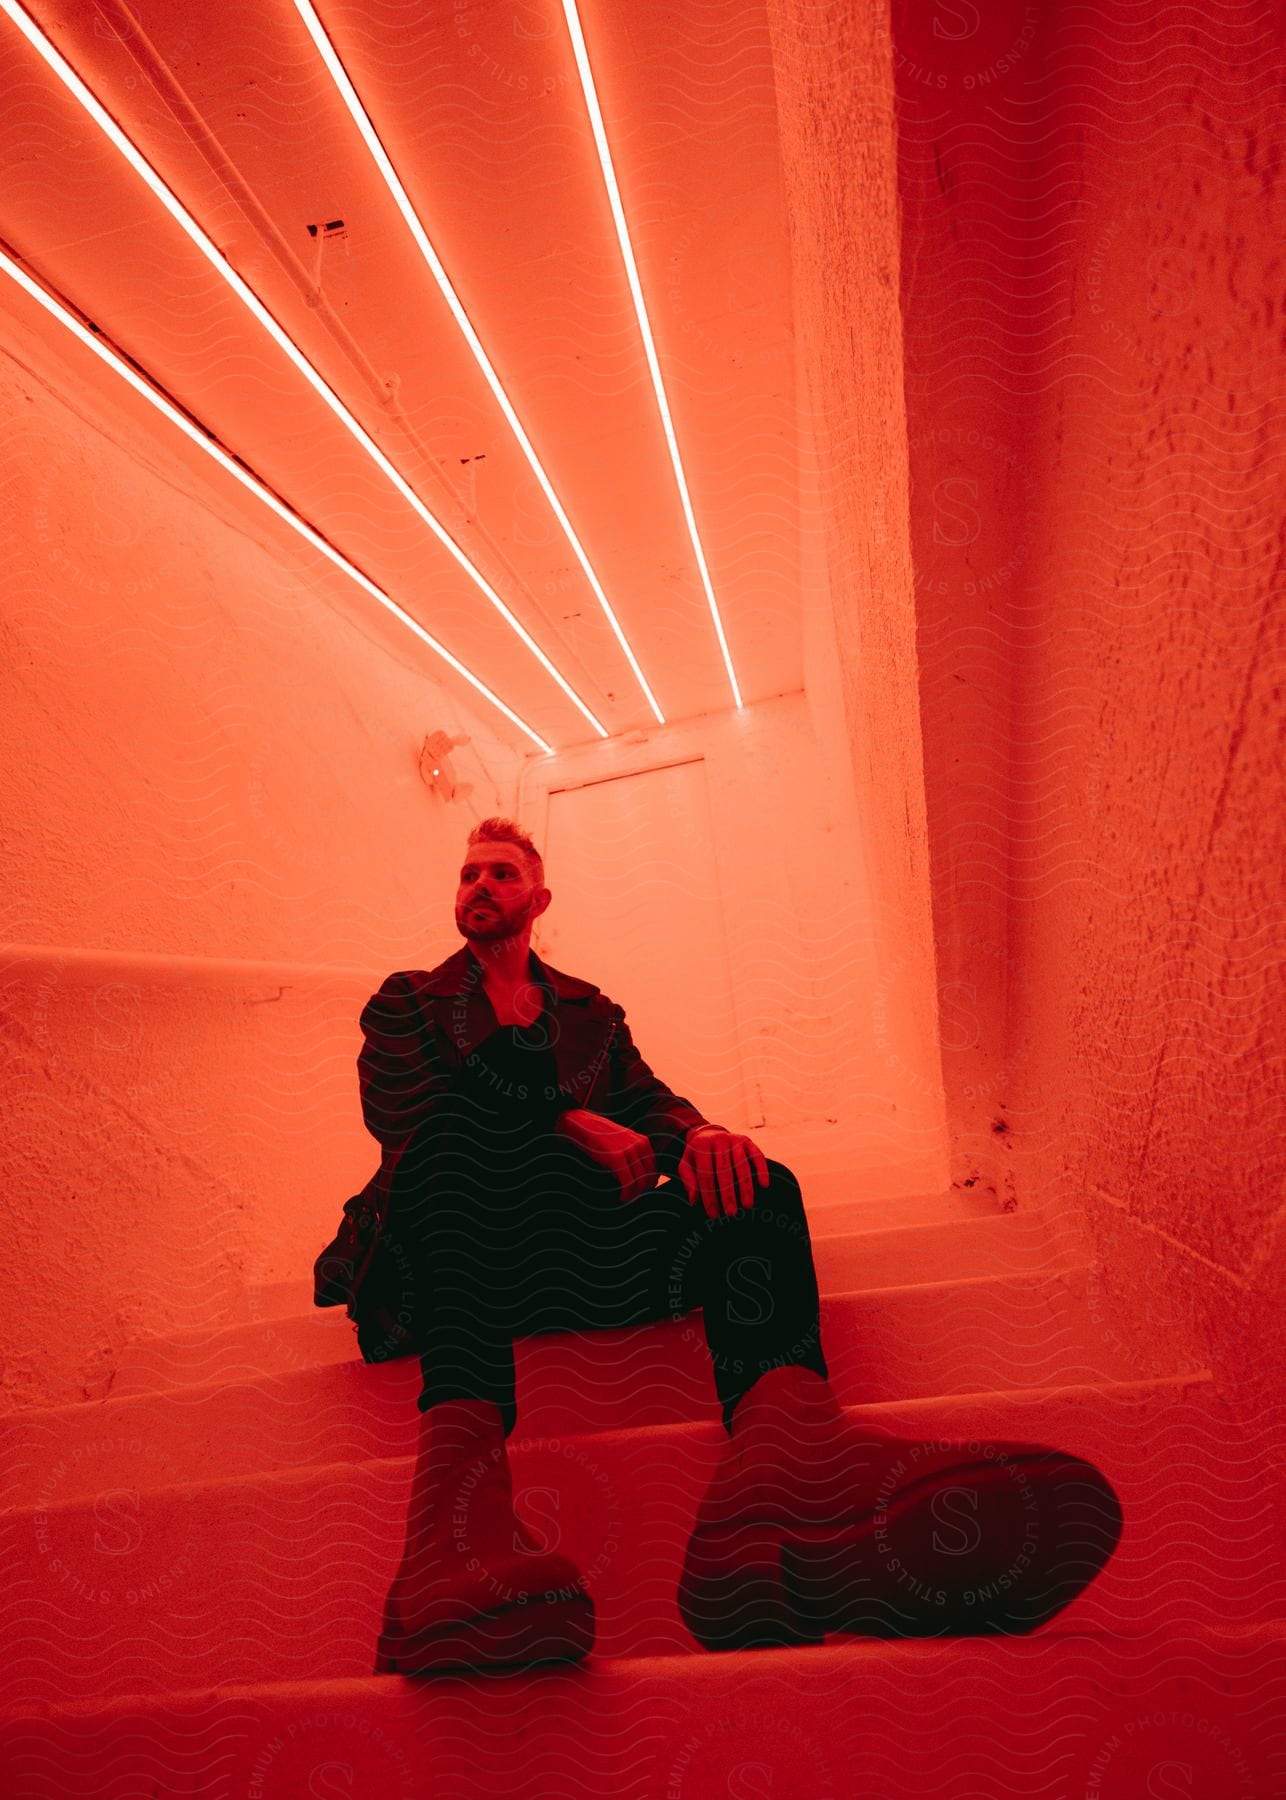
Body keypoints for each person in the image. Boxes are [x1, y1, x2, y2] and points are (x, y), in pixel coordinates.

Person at [314, 818, 1122, 1675]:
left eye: (502, 874)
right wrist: (564, 1116)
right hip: (451, 1260)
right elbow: (407, 1116)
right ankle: (450, 1536)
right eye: (470, 873)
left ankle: (782, 1486)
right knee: (448, 1149)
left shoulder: (589, 1010)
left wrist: (700, 1134)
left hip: (579, 1256)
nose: (480, 885)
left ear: (537, 899)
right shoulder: (407, 997)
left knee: (755, 1184)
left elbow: (650, 1101)